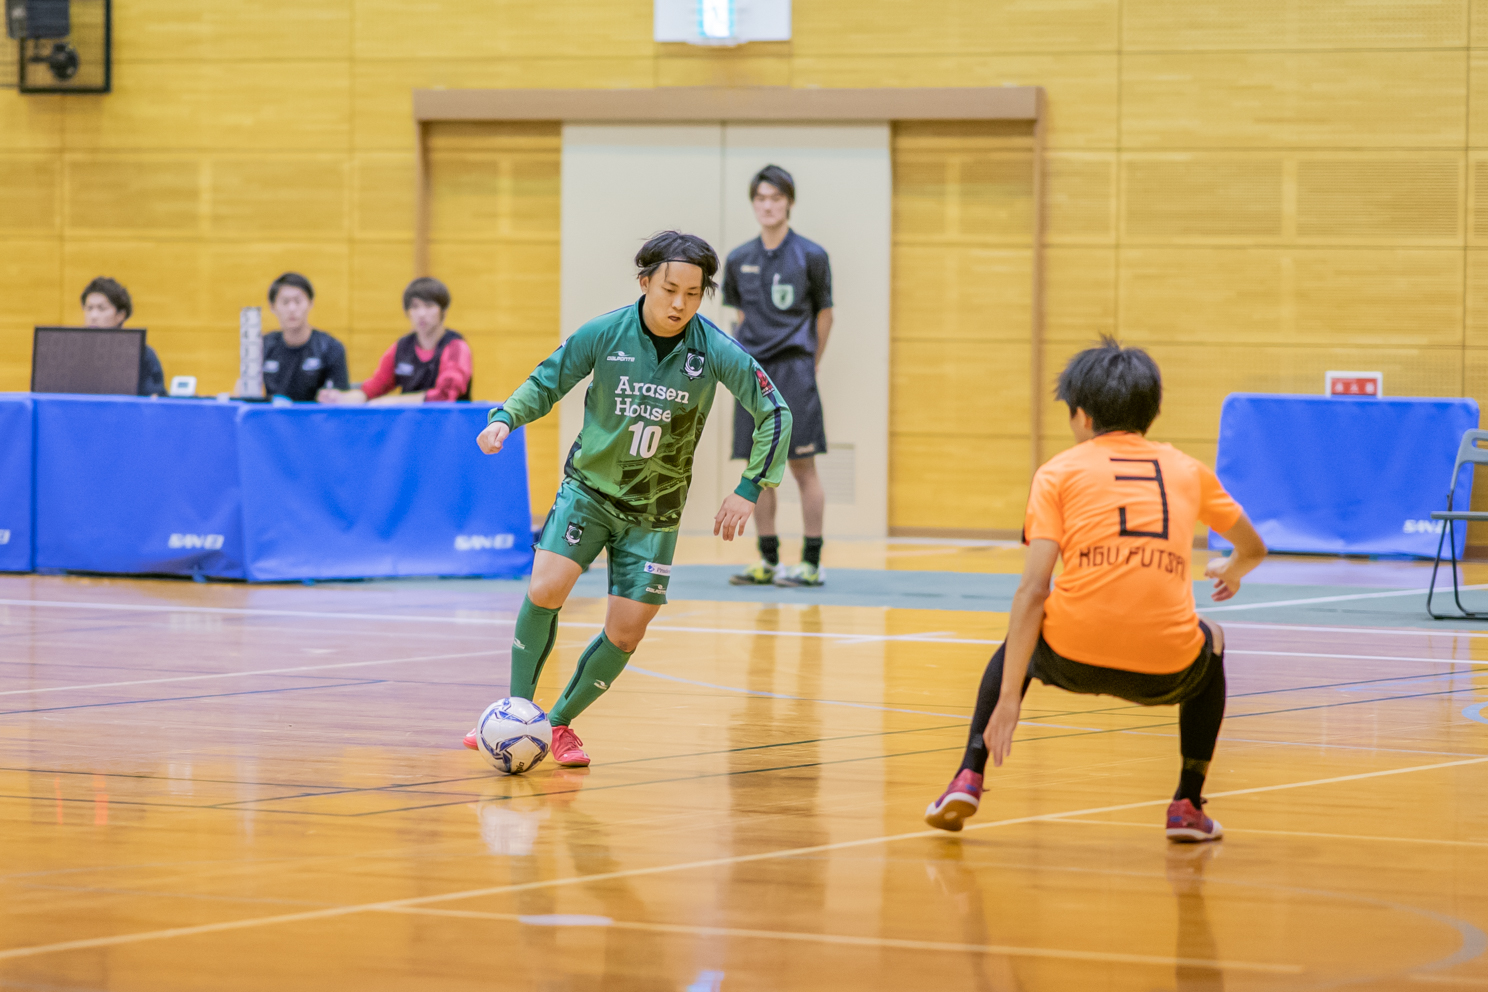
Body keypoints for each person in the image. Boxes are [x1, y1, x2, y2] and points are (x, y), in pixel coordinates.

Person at [463, 231, 791, 767]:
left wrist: (748, 486)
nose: (680, 303)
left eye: (692, 293)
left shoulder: (714, 350)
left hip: (654, 512)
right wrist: (505, 419)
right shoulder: (605, 332)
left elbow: (775, 411)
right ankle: (514, 715)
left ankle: (560, 723)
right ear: (645, 283)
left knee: (627, 628)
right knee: (546, 585)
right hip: (588, 491)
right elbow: (549, 379)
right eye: (669, 289)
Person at [923, 339, 1267, 843]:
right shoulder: (1188, 470)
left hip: (1070, 656)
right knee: (1211, 637)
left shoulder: (1057, 472)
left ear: (1081, 416)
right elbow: (1254, 547)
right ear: (1151, 412)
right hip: (1165, 669)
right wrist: (1231, 569)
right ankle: (1187, 804)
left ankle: (968, 773)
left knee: (1021, 636)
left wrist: (1009, 699)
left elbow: (1033, 590)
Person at [722, 165, 834, 588]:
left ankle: (811, 562)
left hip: (795, 369)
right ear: (754, 204)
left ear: (788, 202)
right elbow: (741, 316)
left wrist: (811, 360)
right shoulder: (738, 259)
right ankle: (768, 562)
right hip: (753, 373)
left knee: (802, 467)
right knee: (758, 468)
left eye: (776, 198)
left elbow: (826, 315)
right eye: (761, 198)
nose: (768, 205)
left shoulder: (811, 255)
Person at [319, 277, 472, 405]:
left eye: (429, 306)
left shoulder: (456, 347)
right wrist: (342, 398)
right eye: (415, 307)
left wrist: (392, 402)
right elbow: (373, 389)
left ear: (443, 311)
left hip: (450, 430)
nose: (421, 313)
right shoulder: (401, 348)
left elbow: (444, 396)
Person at [260, 272, 349, 402]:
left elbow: (341, 400)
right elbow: (243, 394)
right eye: (285, 302)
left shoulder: (331, 348)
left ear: (310, 303)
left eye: (298, 301)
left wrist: (333, 397)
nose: (292, 308)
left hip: (316, 420)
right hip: (273, 420)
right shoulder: (262, 346)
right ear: (272, 307)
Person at [80, 277, 164, 396]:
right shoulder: (74, 353)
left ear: (120, 315)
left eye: (101, 308)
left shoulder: (142, 353)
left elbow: (153, 400)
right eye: (89, 308)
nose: (93, 316)